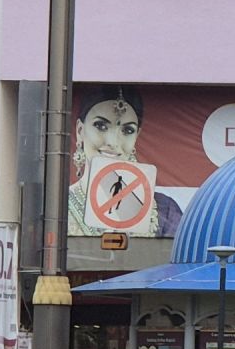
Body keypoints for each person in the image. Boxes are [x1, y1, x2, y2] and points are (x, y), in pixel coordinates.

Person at [66, 86, 183, 238]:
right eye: (101, 126)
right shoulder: (55, 208)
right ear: (80, 131)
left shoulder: (164, 211)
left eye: (127, 130)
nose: (113, 142)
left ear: (137, 136)